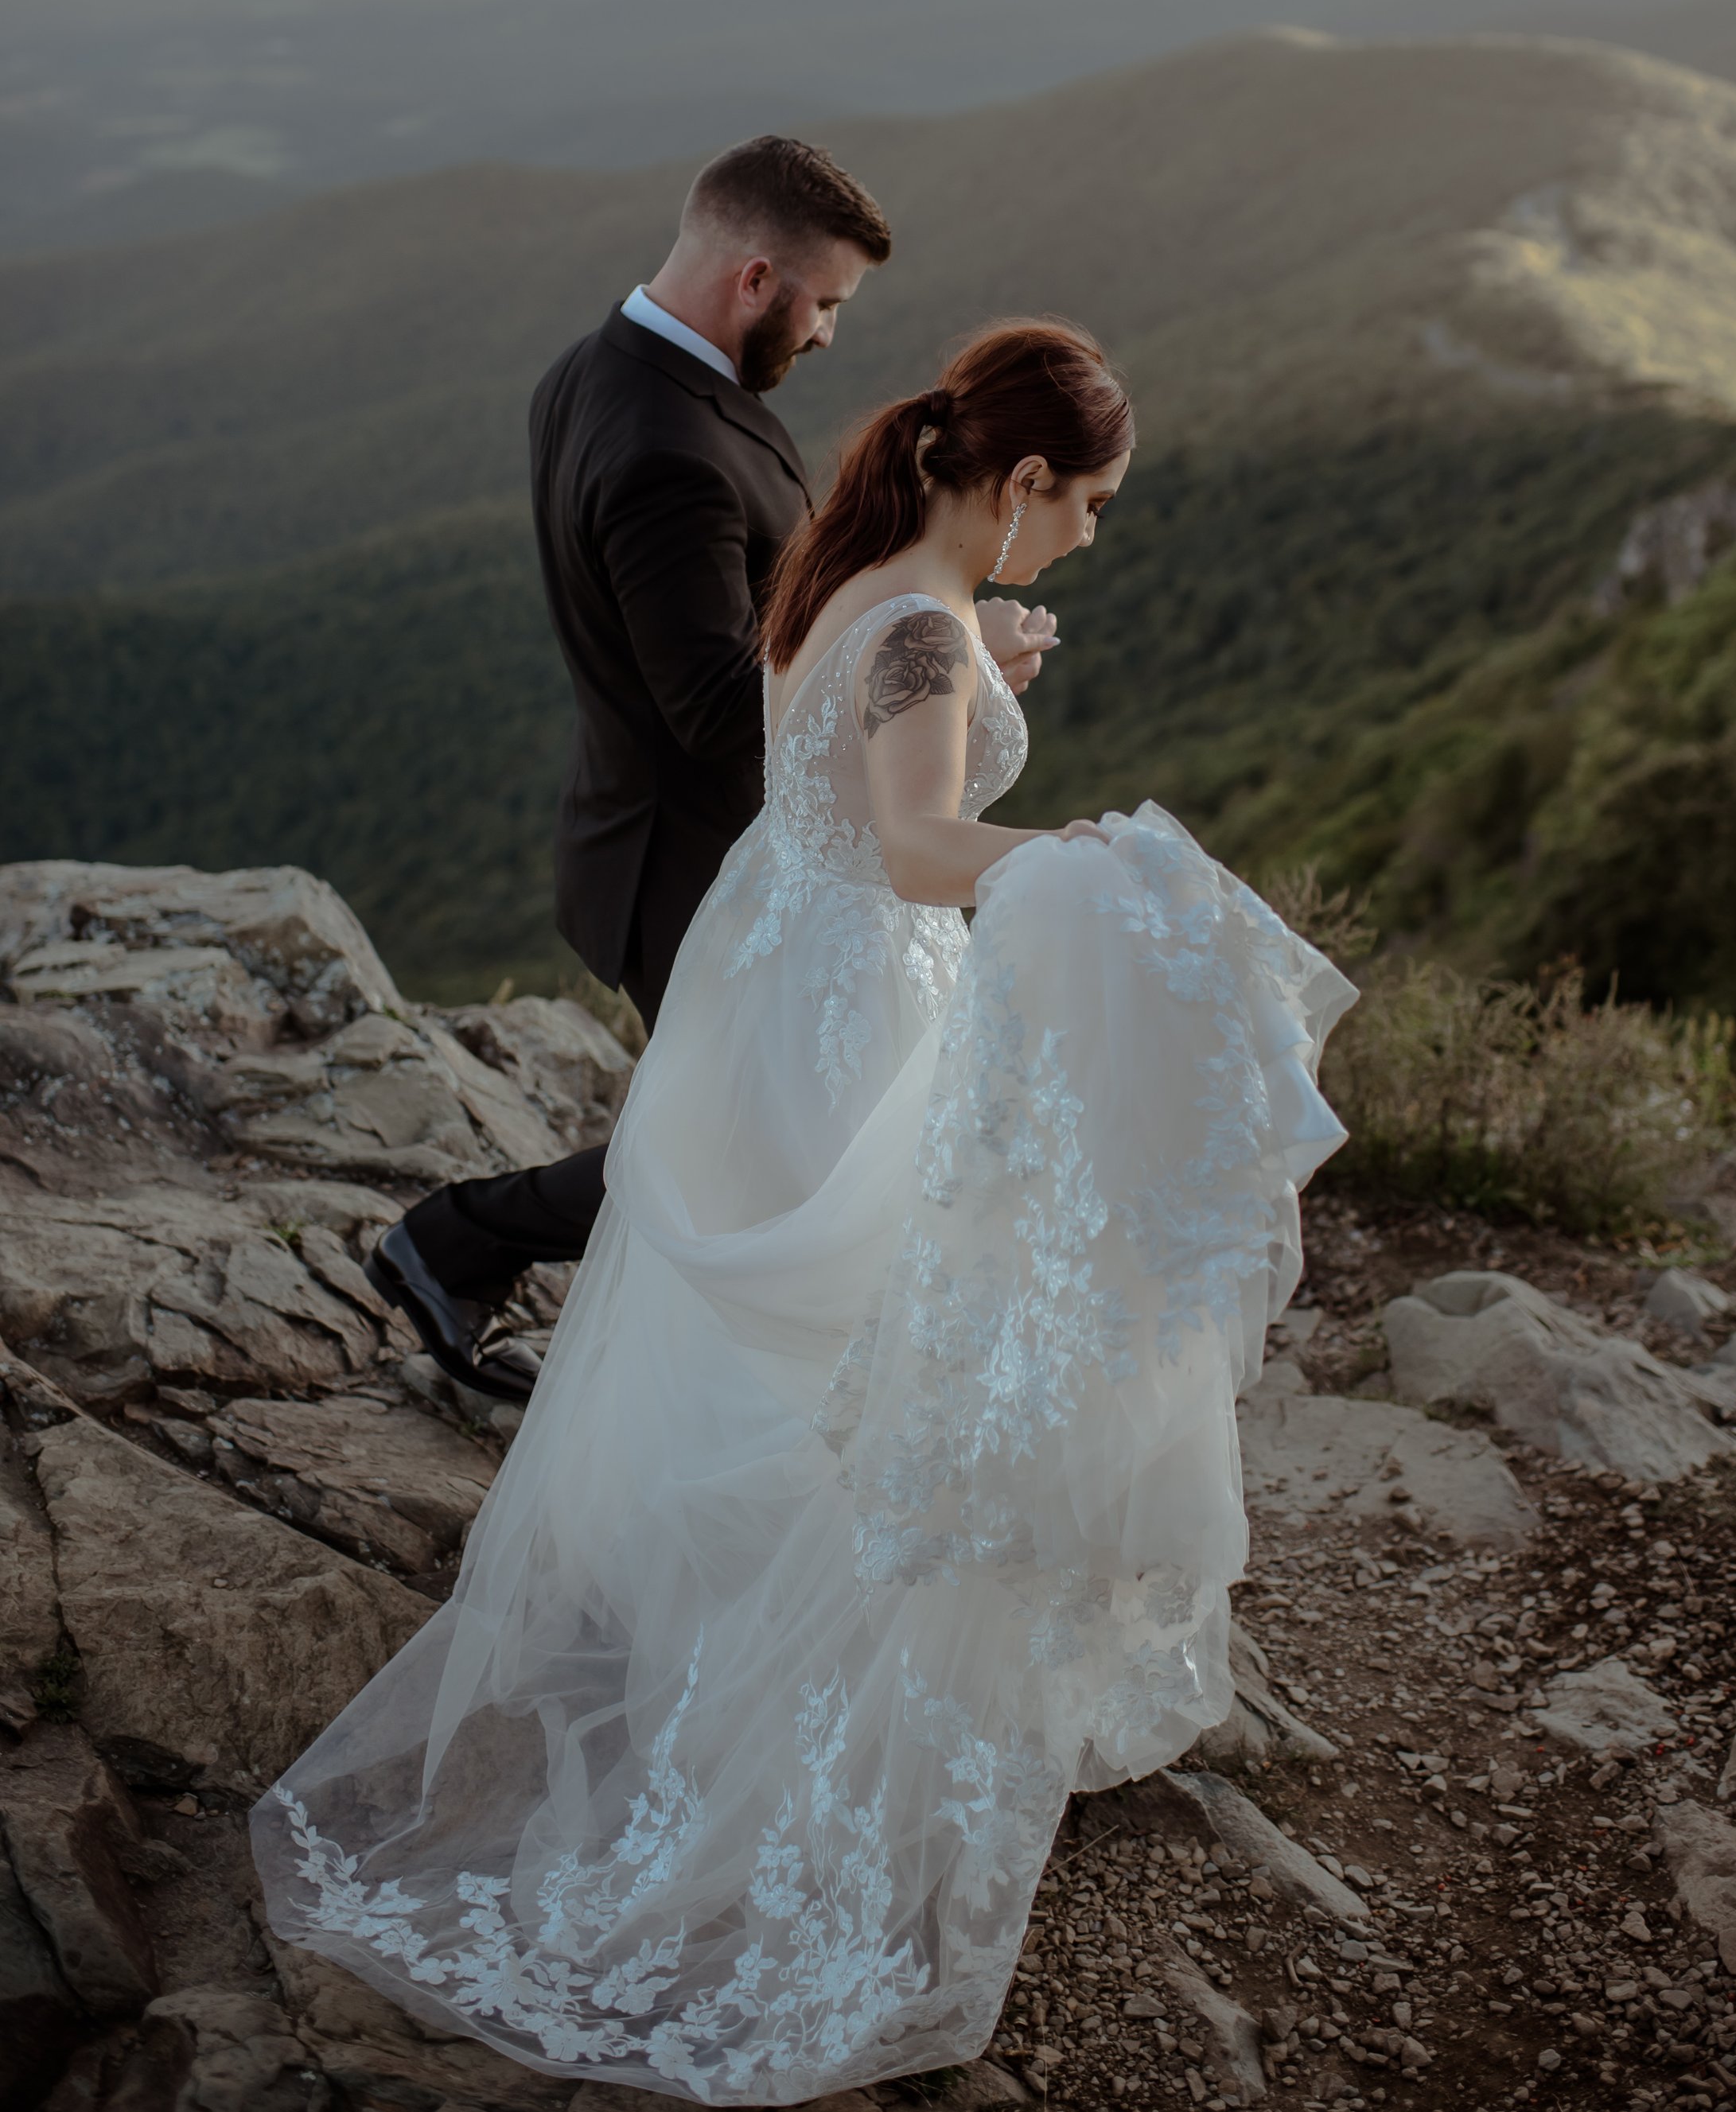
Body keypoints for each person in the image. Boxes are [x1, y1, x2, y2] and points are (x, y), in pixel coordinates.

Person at [255, 321, 1355, 2105]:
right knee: (873, 1330)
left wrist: (980, 661)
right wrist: (1094, 862)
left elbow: (856, 745)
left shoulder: (856, 566)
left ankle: (703, 1631)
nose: (1086, 537)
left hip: (767, 973)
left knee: (760, 1323)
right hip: (859, 992)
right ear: (1015, 484)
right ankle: (792, 1693)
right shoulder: (917, 620)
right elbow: (921, 846)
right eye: (1086, 506)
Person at [366, 137, 1056, 1401]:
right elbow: (712, 706)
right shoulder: (666, 450)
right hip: (689, 859)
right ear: (755, 278)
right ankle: (457, 1240)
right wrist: (940, 672)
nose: (833, 335)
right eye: (827, 302)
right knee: (739, 1151)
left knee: (760, 1140)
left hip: (649, 826)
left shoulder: (600, 367)